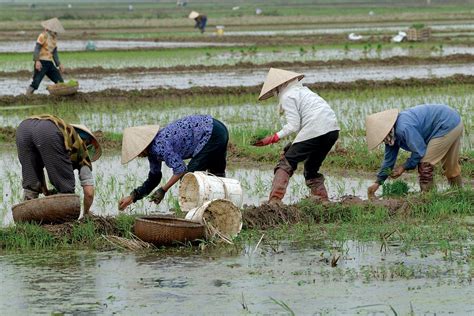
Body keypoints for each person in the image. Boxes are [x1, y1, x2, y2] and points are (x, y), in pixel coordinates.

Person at [252, 68, 340, 203]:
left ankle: (274, 201)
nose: (275, 94)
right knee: (311, 168)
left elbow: (293, 125)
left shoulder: (288, 96)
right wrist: (291, 145)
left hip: (316, 129)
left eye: (274, 91)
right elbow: (304, 129)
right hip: (332, 130)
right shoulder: (305, 91)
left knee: (286, 163)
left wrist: (273, 138)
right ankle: (323, 201)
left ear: (279, 86)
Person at [118, 115, 229, 210]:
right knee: (216, 174)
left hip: (211, 133)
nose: (138, 155)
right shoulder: (153, 152)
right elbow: (154, 178)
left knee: (189, 179)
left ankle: (198, 210)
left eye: (137, 152)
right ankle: (223, 206)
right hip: (218, 128)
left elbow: (180, 169)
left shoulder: (159, 145)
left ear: (142, 147)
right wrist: (133, 197)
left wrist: (163, 190)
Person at [366, 104, 464, 198]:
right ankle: (460, 194)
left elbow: (419, 151)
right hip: (453, 121)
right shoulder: (391, 136)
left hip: (445, 125)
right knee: (451, 167)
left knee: (425, 163)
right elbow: (389, 160)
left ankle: (427, 197)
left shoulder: (403, 128)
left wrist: (403, 167)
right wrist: (378, 182)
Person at [16, 114, 102, 214]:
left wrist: (44, 190)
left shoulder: (64, 134)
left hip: (23, 128)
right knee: (66, 190)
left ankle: (27, 221)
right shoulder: (81, 149)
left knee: (31, 184)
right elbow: (89, 192)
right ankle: (64, 219)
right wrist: (86, 213)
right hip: (48, 131)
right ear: (86, 142)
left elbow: (36, 168)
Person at [26, 17, 66, 95]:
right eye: (54, 30)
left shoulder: (54, 38)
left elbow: (54, 52)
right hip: (41, 62)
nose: (55, 32)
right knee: (36, 82)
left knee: (59, 81)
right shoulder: (43, 36)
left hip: (49, 63)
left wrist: (59, 64)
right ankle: (27, 96)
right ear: (50, 29)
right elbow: (37, 48)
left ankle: (60, 95)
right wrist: (37, 61)